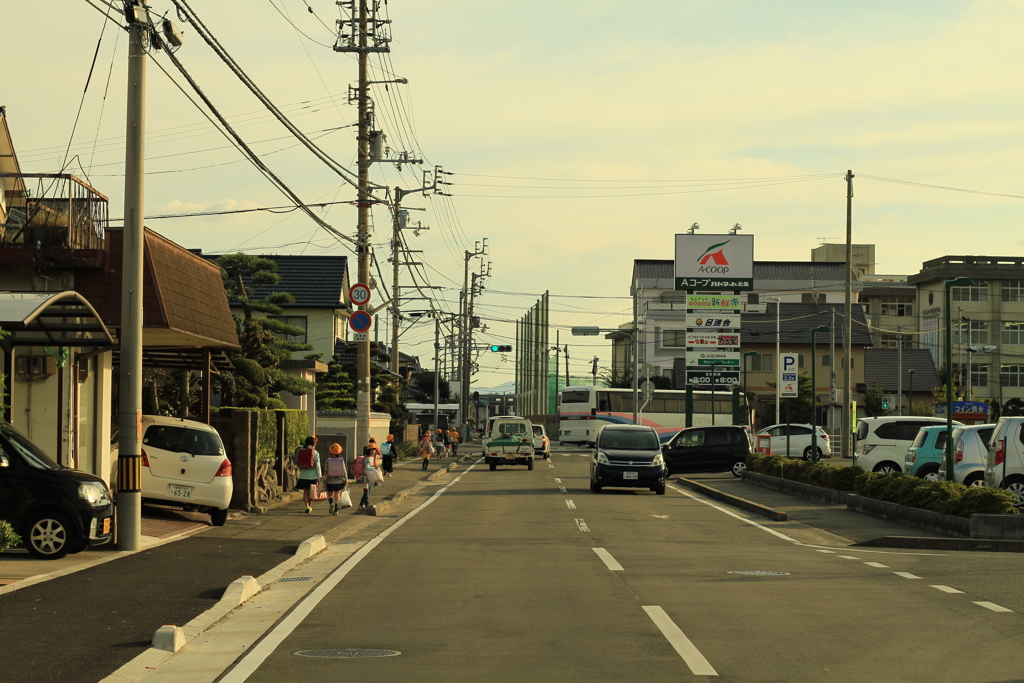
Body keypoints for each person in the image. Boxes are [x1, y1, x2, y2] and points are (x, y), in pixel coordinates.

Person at [295, 436, 321, 514]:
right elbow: (318, 465)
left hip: (303, 475)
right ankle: (310, 506)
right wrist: (319, 476)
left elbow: (296, 462)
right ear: (314, 444)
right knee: (311, 492)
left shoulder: (301, 451)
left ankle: (306, 505)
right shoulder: (315, 453)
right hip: (312, 475)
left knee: (305, 491)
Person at [324, 443, 348, 515]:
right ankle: (336, 510)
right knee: (337, 494)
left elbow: (325, 469)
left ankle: (331, 503)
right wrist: (346, 480)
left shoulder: (328, 460)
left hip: (330, 480)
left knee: (330, 494)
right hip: (339, 480)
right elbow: (344, 471)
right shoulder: (341, 460)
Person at [359, 440, 381, 510]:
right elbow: (367, 468)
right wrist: (374, 467)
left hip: (369, 477)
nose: (373, 451)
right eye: (371, 450)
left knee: (367, 491)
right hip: (366, 477)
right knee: (367, 491)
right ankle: (367, 504)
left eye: (374, 450)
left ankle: (361, 505)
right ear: (368, 451)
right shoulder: (368, 458)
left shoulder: (371, 457)